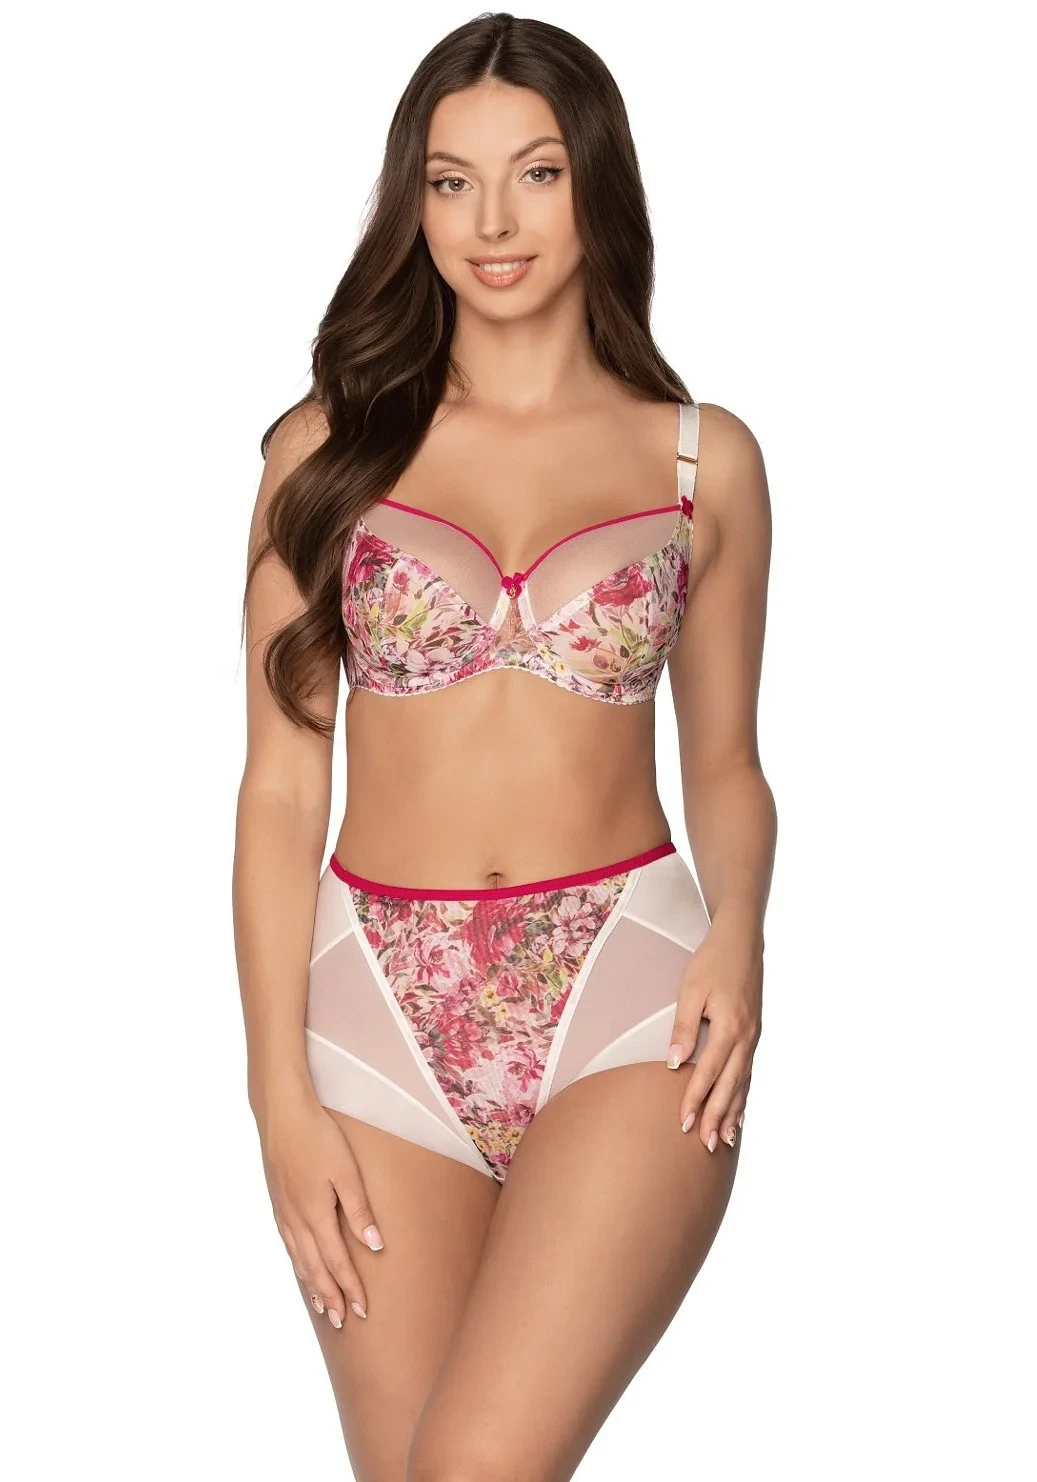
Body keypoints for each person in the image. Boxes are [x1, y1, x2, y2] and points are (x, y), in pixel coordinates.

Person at [233, 13, 775, 1480]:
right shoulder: (322, 452)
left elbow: (727, 762)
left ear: (597, 185)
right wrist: (278, 1098)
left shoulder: (701, 460)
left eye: (536, 174)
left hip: (631, 997)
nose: (493, 222)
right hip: (374, 1013)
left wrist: (740, 935)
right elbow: (280, 789)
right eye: (451, 180)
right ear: (411, 202)